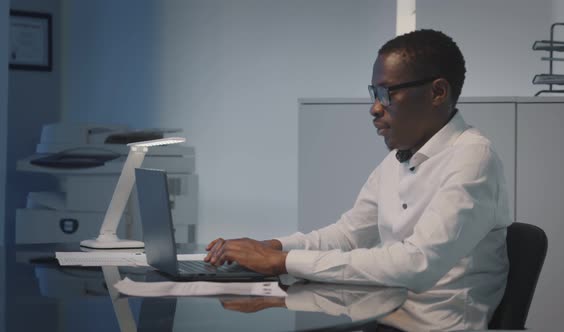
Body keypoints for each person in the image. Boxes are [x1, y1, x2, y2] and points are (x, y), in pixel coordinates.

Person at [205, 29, 512, 321]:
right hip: (382, 318)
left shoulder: (472, 157)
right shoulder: (397, 160)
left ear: (437, 92)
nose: (375, 109)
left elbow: (417, 264)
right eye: (373, 94)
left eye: (386, 93)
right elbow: (348, 236)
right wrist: (271, 247)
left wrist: (281, 262)